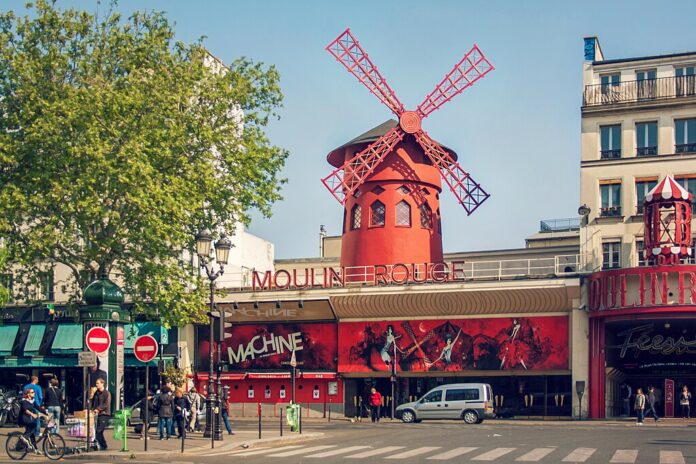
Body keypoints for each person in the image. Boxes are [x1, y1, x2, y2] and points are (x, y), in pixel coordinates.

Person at [91, 378, 111, 451]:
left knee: (99, 431)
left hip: (104, 414)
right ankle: (101, 444)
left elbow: (106, 404)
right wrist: (92, 395)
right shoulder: (97, 393)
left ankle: (103, 445)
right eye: (96, 383)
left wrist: (98, 409)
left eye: (98, 383)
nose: (96, 385)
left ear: (102, 384)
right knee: (98, 431)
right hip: (98, 414)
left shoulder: (106, 393)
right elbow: (94, 403)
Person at [19, 388, 40, 453]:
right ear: (28, 394)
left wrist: (46, 413)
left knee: (32, 433)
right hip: (23, 418)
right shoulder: (24, 401)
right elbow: (25, 410)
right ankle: (23, 437)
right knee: (34, 425)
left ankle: (35, 449)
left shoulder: (32, 401)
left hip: (28, 418)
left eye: (33, 392)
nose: (34, 393)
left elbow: (38, 408)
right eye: (32, 392)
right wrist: (32, 414)